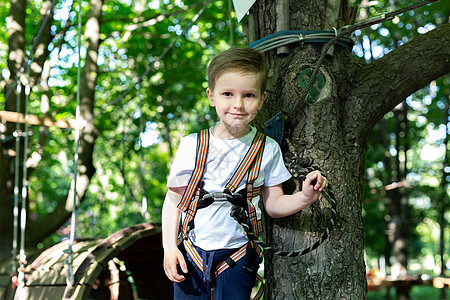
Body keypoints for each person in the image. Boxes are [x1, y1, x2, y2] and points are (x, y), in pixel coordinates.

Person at [162, 47, 328, 299]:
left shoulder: (267, 149)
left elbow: (273, 204)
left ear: (262, 99)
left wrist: (305, 197)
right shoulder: (191, 145)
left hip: (238, 255)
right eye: (227, 94)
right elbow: (174, 201)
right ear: (211, 96)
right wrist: (169, 247)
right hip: (191, 252)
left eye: (248, 95)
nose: (238, 104)